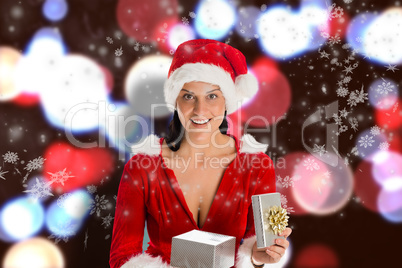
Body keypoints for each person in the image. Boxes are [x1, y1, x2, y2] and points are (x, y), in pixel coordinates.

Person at [109, 39, 292, 268]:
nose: (200, 110)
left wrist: (258, 256)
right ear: (175, 100)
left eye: (212, 96)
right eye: (188, 96)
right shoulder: (141, 168)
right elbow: (123, 256)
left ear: (227, 101)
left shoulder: (257, 167)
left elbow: (258, 245)